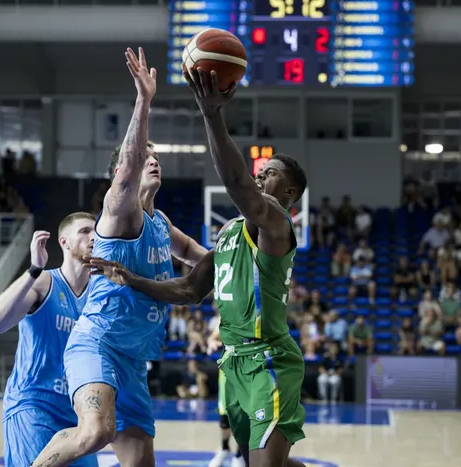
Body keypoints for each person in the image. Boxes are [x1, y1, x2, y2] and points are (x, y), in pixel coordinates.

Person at [83, 65, 310, 467]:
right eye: (261, 171)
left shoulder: (275, 223)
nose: (261, 176)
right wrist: (131, 278)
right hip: (235, 362)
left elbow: (240, 186)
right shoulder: (230, 233)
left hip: (269, 357)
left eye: (270, 173)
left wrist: (211, 113)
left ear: (289, 192)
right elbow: (189, 289)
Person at [31, 47, 206, 467]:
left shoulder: (161, 222)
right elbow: (127, 168)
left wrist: (252, 248)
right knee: (97, 431)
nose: (153, 162)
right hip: (98, 343)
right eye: (147, 157)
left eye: (157, 158)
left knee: (141, 461)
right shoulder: (120, 211)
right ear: (122, 174)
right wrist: (144, 101)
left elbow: (206, 259)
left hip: (134, 357)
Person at [0, 213, 98, 467]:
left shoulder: (99, 294)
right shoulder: (44, 282)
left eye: (96, 232)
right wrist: (33, 270)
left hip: (78, 415)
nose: (93, 237)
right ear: (64, 242)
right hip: (33, 406)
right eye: (84, 231)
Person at [206, 322, 244, 467]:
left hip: (251, 365)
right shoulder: (226, 313)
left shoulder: (257, 309)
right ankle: (224, 448)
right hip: (228, 365)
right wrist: (212, 341)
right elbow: (213, 336)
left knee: (244, 415)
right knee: (225, 414)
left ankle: (240, 454)